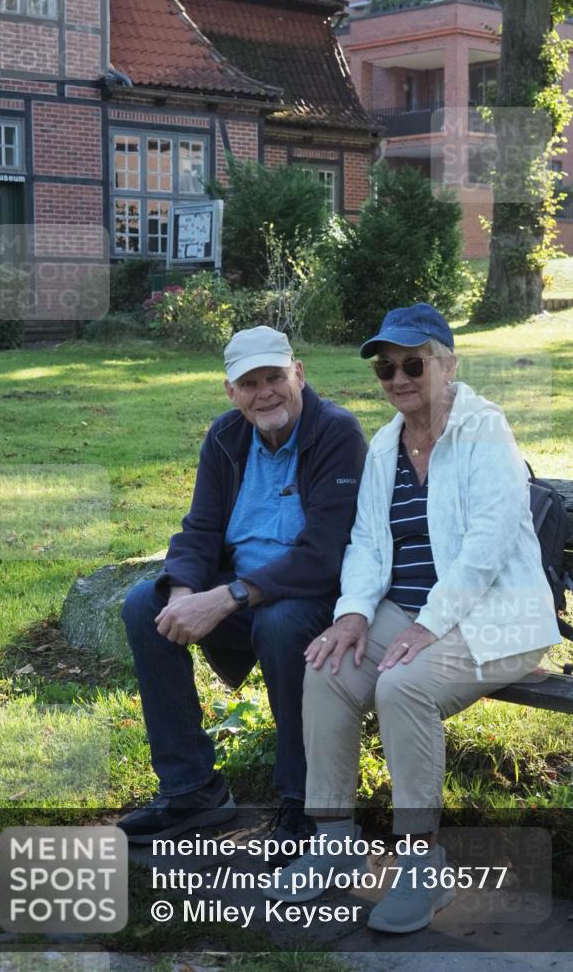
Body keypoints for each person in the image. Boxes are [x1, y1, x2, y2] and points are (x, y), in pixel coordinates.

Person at [265, 303, 561, 932]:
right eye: (385, 368)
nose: (397, 378)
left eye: (412, 364)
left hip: (495, 618)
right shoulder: (385, 444)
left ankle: (423, 865)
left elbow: (487, 546)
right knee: (329, 666)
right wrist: (350, 616)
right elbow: (369, 543)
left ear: (447, 364)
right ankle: (334, 840)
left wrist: (428, 626)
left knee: (403, 687)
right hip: (412, 615)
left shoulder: (485, 431)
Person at [119, 326, 367, 855]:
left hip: (314, 595)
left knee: (282, 623)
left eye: (274, 377)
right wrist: (185, 592)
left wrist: (228, 596)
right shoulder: (225, 436)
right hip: (242, 592)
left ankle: (304, 800)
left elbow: (323, 556)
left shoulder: (337, 433)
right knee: (147, 604)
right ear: (231, 393)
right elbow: (200, 530)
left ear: (298, 373)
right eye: (249, 384)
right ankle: (192, 791)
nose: (265, 393)